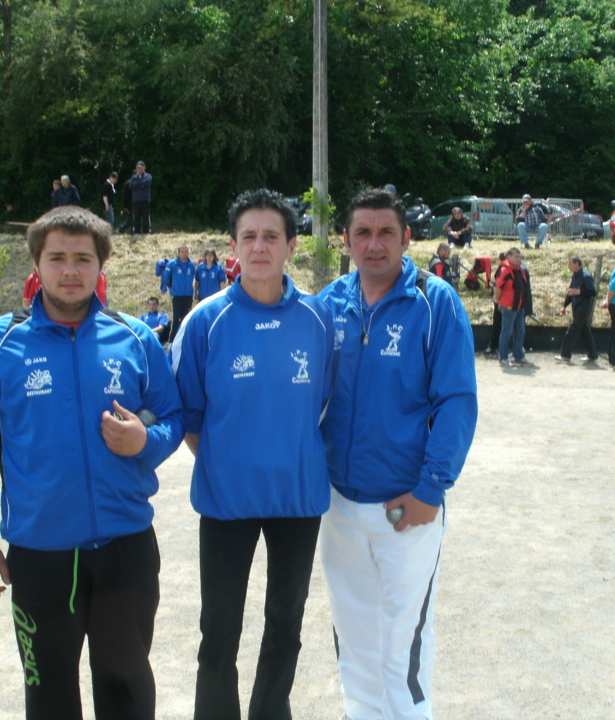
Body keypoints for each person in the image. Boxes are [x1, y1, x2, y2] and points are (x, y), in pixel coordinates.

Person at [0, 205, 184, 720]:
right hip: (41, 556)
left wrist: (144, 440)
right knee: (50, 694)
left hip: (126, 548)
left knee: (126, 685)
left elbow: (173, 420)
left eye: (83, 258)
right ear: (37, 266)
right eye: (57, 258)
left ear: (102, 266)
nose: (71, 271)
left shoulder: (136, 339)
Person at [170, 188, 334, 720]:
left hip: (298, 498)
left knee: (286, 624)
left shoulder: (318, 318)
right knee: (219, 629)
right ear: (233, 246)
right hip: (226, 501)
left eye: (271, 236)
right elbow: (189, 415)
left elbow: (329, 401)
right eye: (249, 237)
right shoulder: (204, 321)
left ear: (290, 245)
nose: (259, 246)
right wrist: (226, 462)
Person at [318, 189, 477, 720]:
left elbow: (457, 402)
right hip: (339, 505)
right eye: (362, 232)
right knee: (354, 633)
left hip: (407, 506)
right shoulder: (328, 305)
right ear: (346, 240)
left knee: (403, 643)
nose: (375, 244)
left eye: (386, 232)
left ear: (407, 238)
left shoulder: (436, 303)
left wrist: (431, 490)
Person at [555, 256, 598, 363]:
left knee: (571, 332)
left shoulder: (586, 276)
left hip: (583, 309)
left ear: (577, 264)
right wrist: (564, 305)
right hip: (577, 308)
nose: (568, 266)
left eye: (570, 264)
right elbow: (570, 292)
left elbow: (592, 292)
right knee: (585, 333)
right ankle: (592, 355)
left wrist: (579, 292)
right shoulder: (575, 276)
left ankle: (565, 355)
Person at [494, 247, 530, 367]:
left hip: (519, 307)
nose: (519, 259)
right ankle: (503, 358)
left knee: (520, 331)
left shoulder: (519, 269)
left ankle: (518, 356)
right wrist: (499, 301)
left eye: (519, 257)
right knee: (506, 332)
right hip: (509, 307)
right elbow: (497, 287)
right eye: (516, 257)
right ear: (508, 257)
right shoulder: (505, 270)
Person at [164, 245, 195, 342]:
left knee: (186, 318)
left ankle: (184, 339)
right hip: (177, 295)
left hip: (188, 295)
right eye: (182, 251)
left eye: (186, 251)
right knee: (176, 318)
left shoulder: (191, 264)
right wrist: (172, 288)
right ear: (178, 253)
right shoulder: (172, 264)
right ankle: (172, 340)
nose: (184, 253)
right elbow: (166, 278)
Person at [129, 161, 153, 234]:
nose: (139, 169)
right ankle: (136, 232)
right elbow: (131, 185)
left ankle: (147, 231)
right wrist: (141, 184)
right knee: (136, 217)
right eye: (138, 168)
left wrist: (137, 184)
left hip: (145, 199)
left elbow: (147, 182)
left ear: (144, 167)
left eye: (141, 167)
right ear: (136, 168)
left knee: (146, 216)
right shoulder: (133, 177)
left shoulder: (148, 176)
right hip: (136, 200)